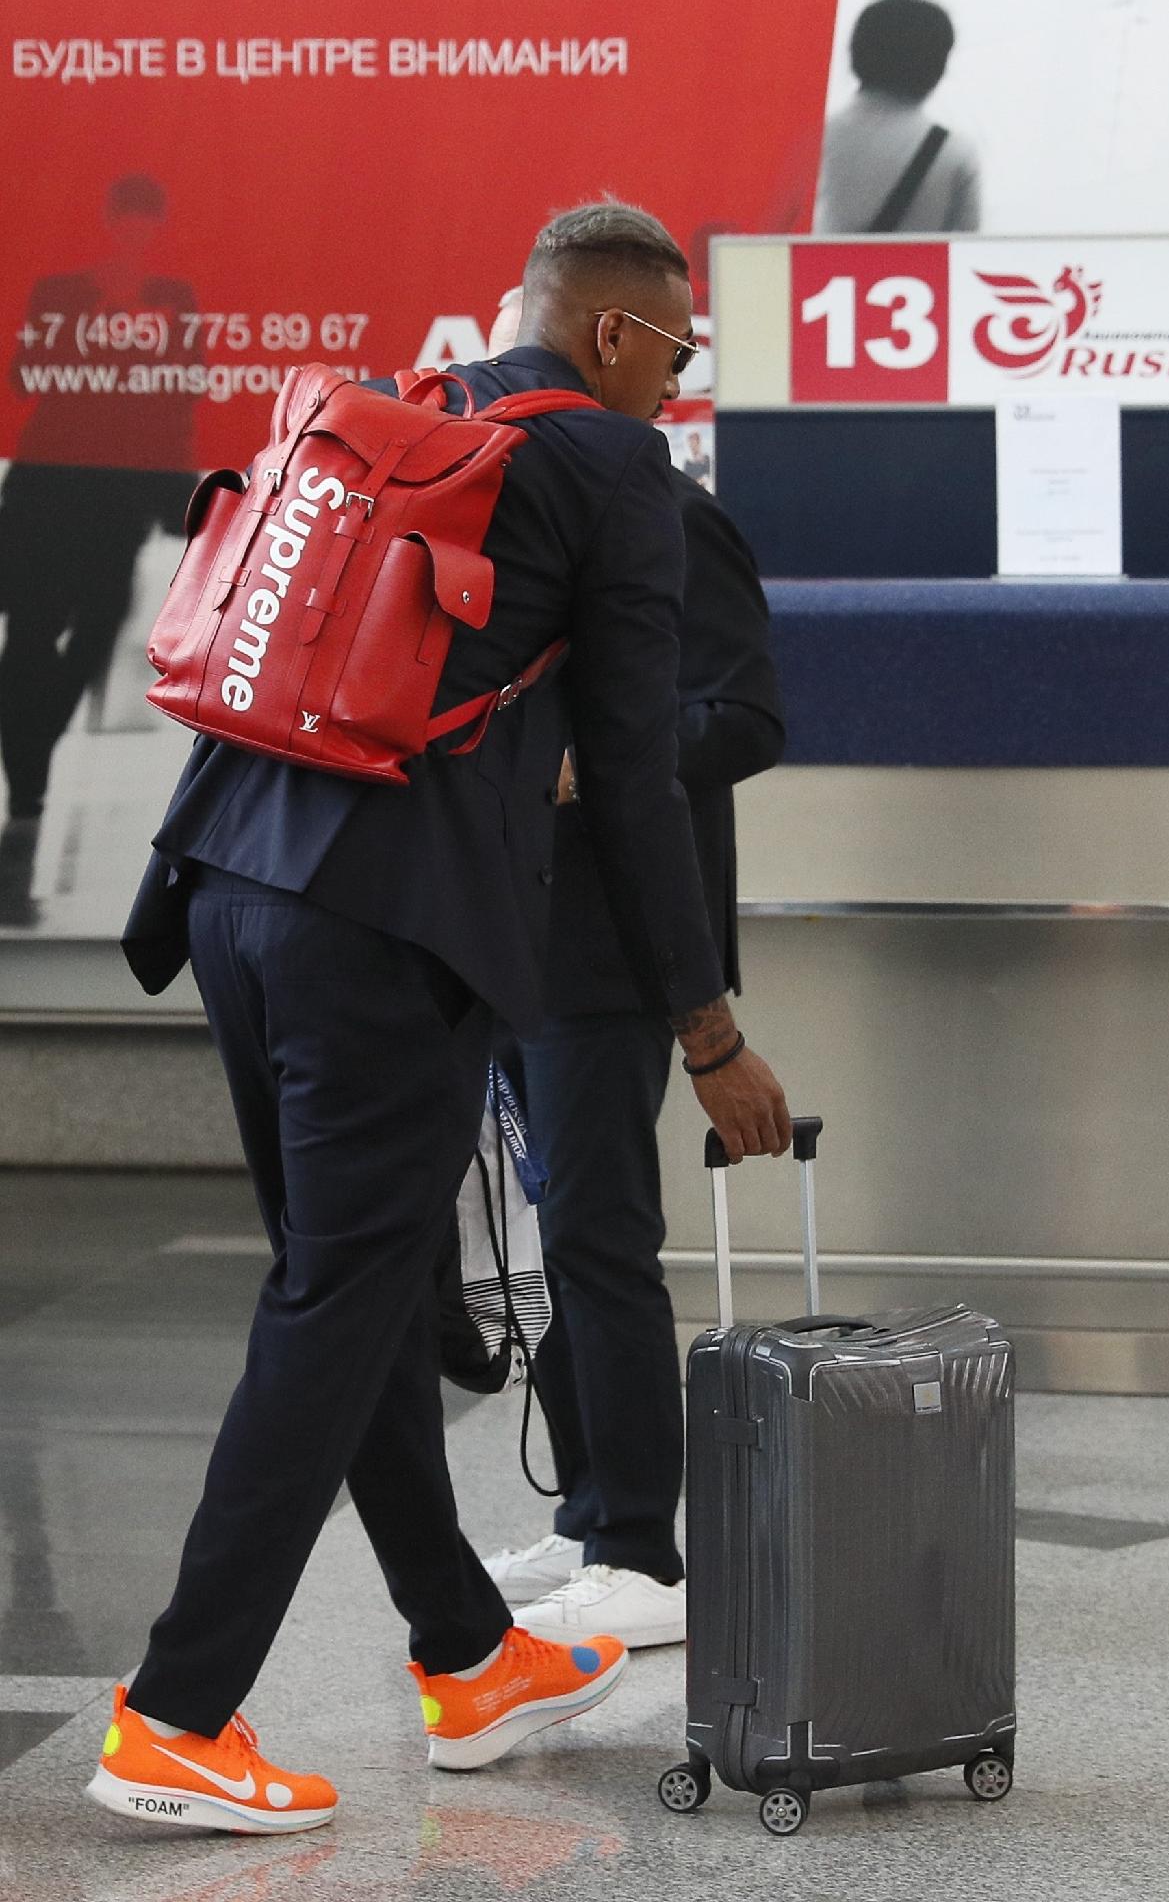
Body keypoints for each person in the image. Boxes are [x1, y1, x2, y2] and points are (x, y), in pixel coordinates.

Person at [91, 200, 793, 1836]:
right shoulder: (618, 475)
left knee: (365, 1289)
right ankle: (177, 1714)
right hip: (379, 939)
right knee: (341, 1303)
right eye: (674, 352)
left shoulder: (418, 411)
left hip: (226, 887)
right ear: (615, 331)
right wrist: (705, 1025)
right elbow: (629, 777)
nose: (674, 386)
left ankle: (467, 1655)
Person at [480, 295, 783, 1648]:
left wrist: (600, 752)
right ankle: (585, 1504)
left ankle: (637, 1547)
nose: (680, 377)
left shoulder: (672, 511)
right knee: (544, 1245)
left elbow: (744, 716)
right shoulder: (519, 505)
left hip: (612, 944)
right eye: (674, 348)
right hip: (503, 928)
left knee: (602, 1238)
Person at [0, 175, 196, 926]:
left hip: (121, 495)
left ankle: (35, 730)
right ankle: (27, 800)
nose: (135, 234)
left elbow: (188, 389)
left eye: (148, 222)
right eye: (127, 220)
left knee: (98, 625)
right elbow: (26, 373)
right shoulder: (60, 292)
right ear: (111, 222)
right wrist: (96, 330)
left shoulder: (175, 297)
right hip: (48, 488)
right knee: (27, 636)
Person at [814, 0, 980, 234]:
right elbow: (970, 249)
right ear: (937, 68)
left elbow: (770, 238)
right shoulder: (955, 152)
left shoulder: (812, 141)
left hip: (823, 271)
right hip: (918, 272)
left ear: (855, 54)